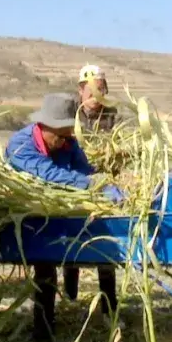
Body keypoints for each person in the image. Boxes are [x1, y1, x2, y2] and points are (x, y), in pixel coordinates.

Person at [4, 93, 123, 342]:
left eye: (68, 134)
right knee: (45, 265)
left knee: (104, 244)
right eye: (59, 135)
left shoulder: (68, 142)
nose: (64, 141)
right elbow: (50, 176)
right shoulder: (21, 146)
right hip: (27, 216)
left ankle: (108, 311)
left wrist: (101, 185)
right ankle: (43, 334)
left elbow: (82, 170)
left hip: (62, 212)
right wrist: (94, 185)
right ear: (44, 126)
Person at [62, 65, 121, 315]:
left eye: (102, 89)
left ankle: (109, 307)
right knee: (70, 242)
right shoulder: (69, 113)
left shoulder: (112, 114)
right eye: (93, 90)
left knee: (105, 246)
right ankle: (70, 299)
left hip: (104, 185)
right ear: (81, 90)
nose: (98, 95)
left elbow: (121, 145)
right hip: (73, 183)